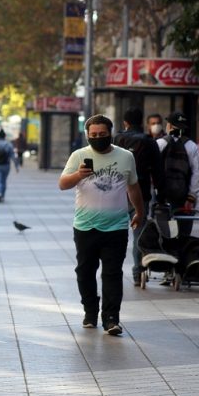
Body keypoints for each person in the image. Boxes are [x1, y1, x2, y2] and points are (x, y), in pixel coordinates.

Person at [59, 114, 144, 336]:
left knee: (112, 273)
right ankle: (90, 311)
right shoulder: (79, 155)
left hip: (116, 227)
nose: (98, 138)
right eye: (93, 135)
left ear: (110, 134)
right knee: (85, 272)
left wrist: (139, 211)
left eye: (102, 134)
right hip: (85, 227)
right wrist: (78, 174)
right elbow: (62, 184)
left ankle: (111, 318)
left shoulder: (125, 157)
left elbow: (133, 187)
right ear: (87, 135)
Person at [113, 107, 165, 286]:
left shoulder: (116, 139)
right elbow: (158, 171)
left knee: (114, 236)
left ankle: (112, 271)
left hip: (115, 194)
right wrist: (161, 194)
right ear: (142, 122)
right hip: (140, 194)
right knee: (138, 234)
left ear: (125, 123)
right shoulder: (149, 141)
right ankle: (137, 273)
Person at [157, 111, 199, 238]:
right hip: (184, 196)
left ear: (169, 126)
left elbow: (153, 170)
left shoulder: (160, 143)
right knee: (183, 232)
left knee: (163, 232)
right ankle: (181, 253)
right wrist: (191, 196)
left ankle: (167, 253)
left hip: (163, 196)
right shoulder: (192, 146)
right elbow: (196, 173)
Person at [0, 129, 19, 203]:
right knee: (4, 180)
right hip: (6, 165)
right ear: (5, 136)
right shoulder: (9, 144)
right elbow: (13, 156)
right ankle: (2, 196)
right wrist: (16, 166)